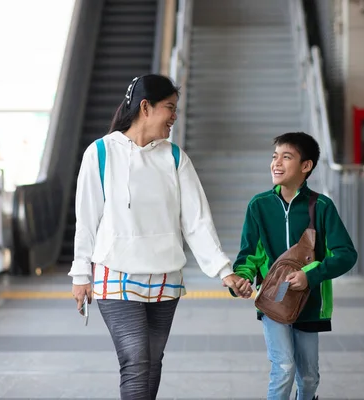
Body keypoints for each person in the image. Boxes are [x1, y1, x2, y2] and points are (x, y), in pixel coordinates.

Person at [68, 74, 252, 400]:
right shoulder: (100, 153)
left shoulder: (175, 158)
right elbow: (87, 219)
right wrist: (82, 273)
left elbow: (196, 221)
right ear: (145, 107)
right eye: (170, 108)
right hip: (116, 273)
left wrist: (224, 271)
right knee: (136, 360)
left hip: (166, 276)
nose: (174, 117)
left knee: (152, 363)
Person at [230, 132, 358, 400]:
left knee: (309, 377)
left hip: (310, 304)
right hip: (273, 301)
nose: (276, 163)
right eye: (274, 156)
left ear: (306, 166)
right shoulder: (259, 206)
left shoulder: (322, 207)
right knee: (284, 367)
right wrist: (241, 279)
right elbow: (249, 255)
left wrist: (311, 276)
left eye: (286, 157)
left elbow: (346, 254)